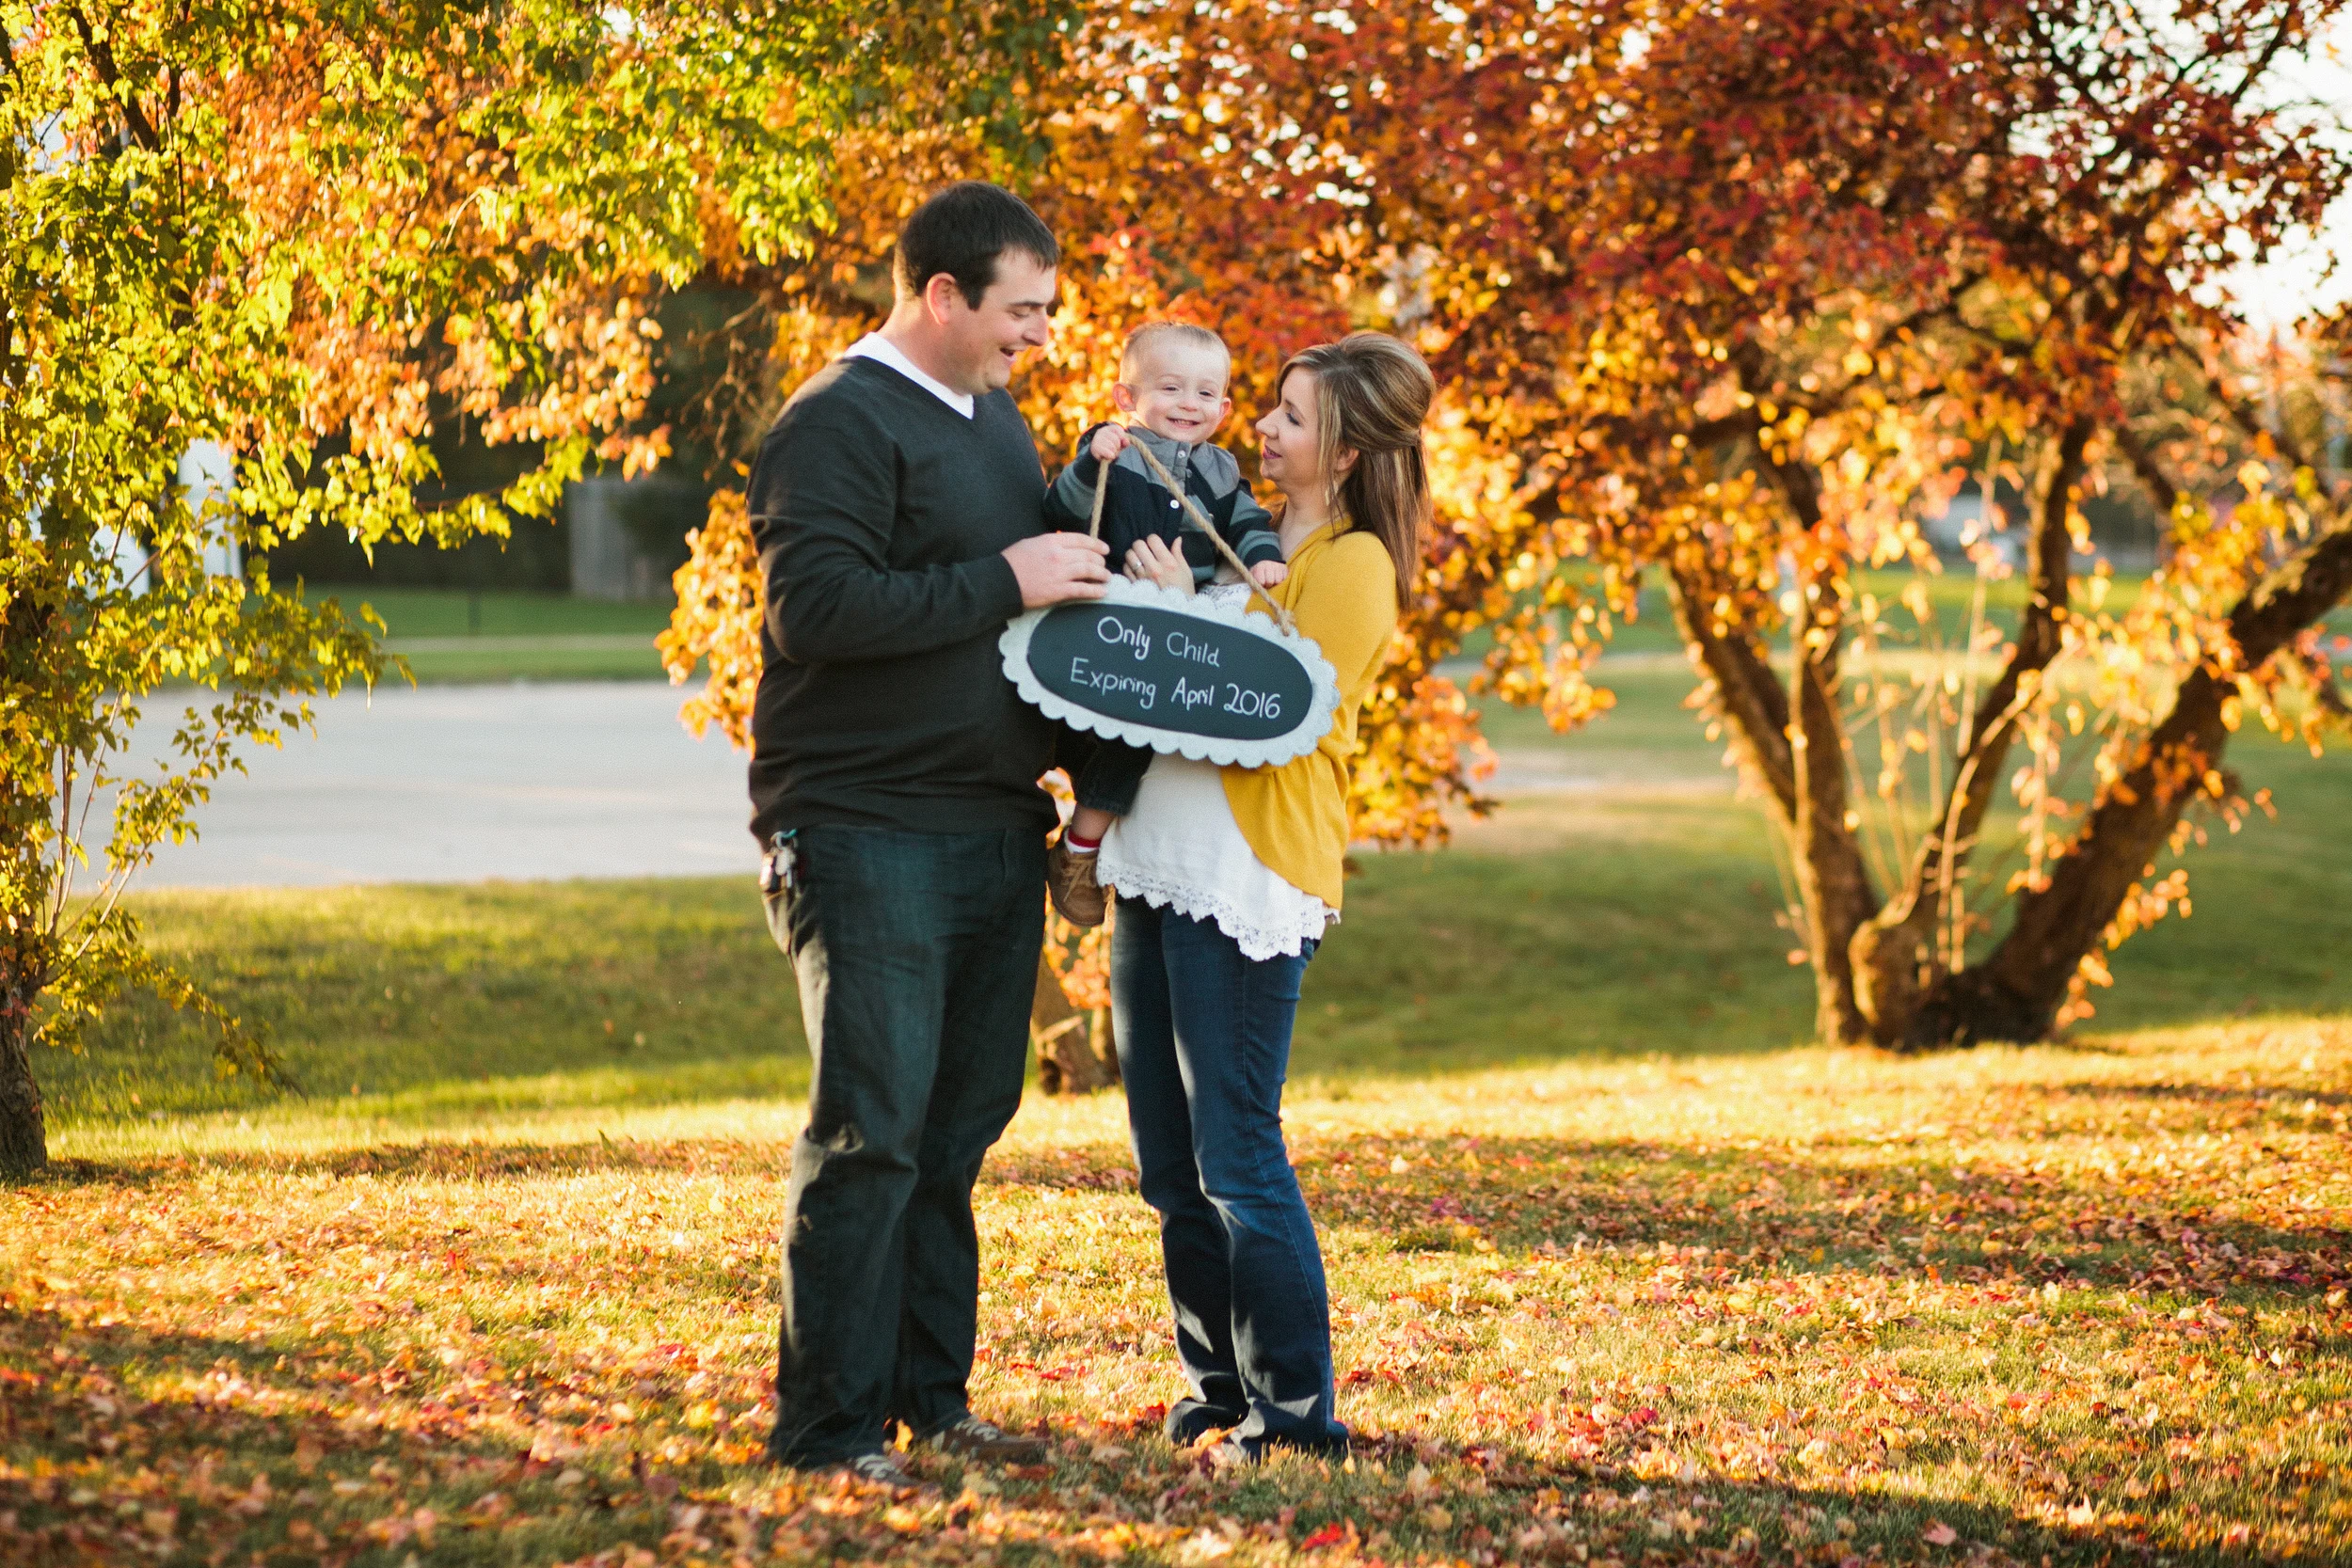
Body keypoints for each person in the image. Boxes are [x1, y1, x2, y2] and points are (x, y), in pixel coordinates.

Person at [743, 181, 1111, 1486]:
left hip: (993, 823)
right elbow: (813, 611)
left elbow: (1026, 629)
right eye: (1025, 309)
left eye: (1050, 311)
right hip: (863, 825)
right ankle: (826, 1429)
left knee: (954, 1135)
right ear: (943, 294)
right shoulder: (835, 420)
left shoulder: (996, 421)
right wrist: (1007, 578)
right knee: (873, 1133)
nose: (1043, 335)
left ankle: (931, 1402)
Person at [1095, 332, 1435, 1463]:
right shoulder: (1220, 516)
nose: (1264, 429)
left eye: (1292, 417)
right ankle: (1217, 1386)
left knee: (1236, 1152)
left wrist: (1177, 612)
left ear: (1344, 453)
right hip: (1154, 857)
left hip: (1245, 874)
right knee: (1168, 1160)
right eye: (1273, 409)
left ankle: (1294, 1414)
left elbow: (1275, 709)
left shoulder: (1353, 563)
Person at [1039, 323, 1285, 928]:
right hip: (1105, 622)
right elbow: (1061, 508)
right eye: (1171, 388)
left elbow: (1248, 521)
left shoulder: (1221, 471)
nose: (1188, 404)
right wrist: (1090, 462)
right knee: (1084, 731)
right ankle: (1063, 831)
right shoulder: (1114, 449)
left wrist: (1262, 557)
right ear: (1127, 397)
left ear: (1224, 409)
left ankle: (1079, 849)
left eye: (1206, 393)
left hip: (1170, 639)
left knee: (1137, 735)